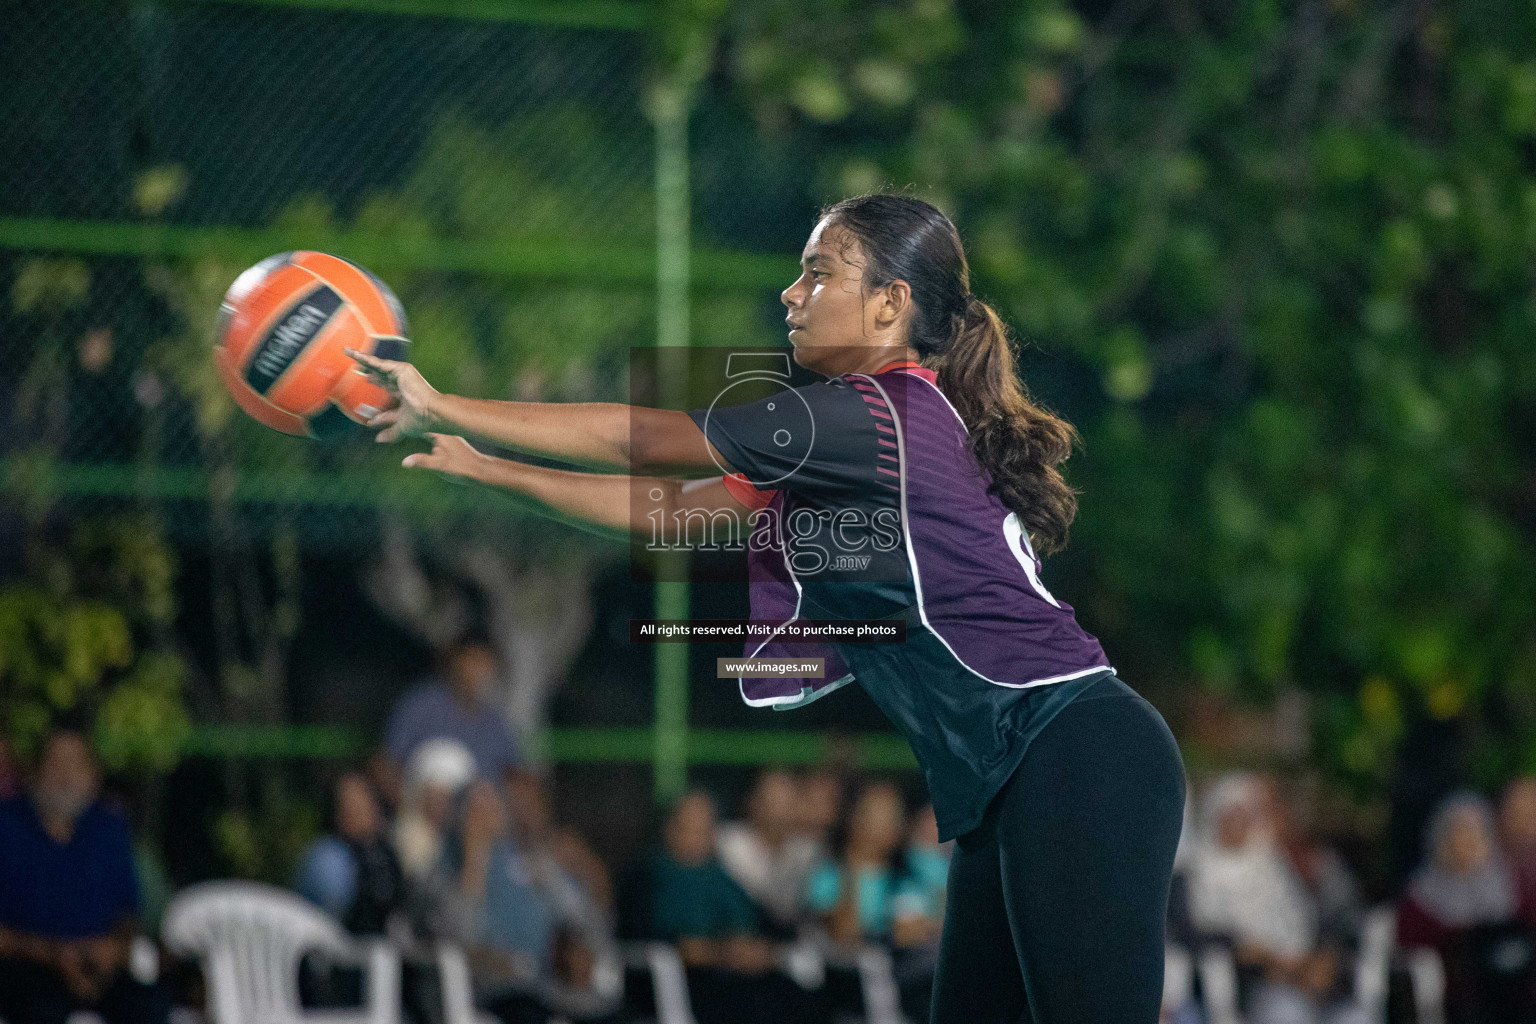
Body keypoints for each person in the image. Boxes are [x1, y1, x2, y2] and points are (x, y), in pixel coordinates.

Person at [349, 192, 1186, 1022]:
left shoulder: (872, 415)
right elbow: (667, 510)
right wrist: (485, 466)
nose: (793, 293)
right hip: (1013, 780)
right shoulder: (844, 448)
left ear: (892, 303)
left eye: (819, 274)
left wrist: (445, 402)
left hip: (1076, 755)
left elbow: (638, 439)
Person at [0, 728, 169, 1024]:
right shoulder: (7, 827)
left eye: (76, 765)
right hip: (27, 970)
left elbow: (129, 913)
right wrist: (53, 955)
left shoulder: (110, 829)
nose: (66, 776)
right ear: (35, 772)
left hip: (98, 969)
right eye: (56, 764)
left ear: (94, 776)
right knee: (40, 1009)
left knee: (150, 1005)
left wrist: (113, 950)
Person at [640, 790, 824, 1024]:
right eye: (692, 825)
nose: (701, 834)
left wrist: (762, 949)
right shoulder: (652, 876)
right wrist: (725, 953)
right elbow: (671, 944)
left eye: (707, 826)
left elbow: (763, 924)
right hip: (694, 983)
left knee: (809, 999)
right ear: (670, 828)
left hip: (747, 976)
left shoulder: (721, 875)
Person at [1397, 790, 1536, 1023]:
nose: (1466, 842)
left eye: (1474, 832)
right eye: (1458, 833)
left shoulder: (1510, 883)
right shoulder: (1421, 895)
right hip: (1454, 1005)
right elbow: (1413, 958)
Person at [377, 631, 520, 804]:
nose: (478, 671)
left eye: (485, 663)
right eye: (472, 661)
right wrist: (410, 805)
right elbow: (384, 763)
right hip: (418, 817)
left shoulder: (495, 722)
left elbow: (512, 774)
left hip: (478, 820)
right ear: (455, 662)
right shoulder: (420, 705)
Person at [295, 772, 405, 935]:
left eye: (365, 800)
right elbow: (331, 918)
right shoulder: (328, 857)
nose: (362, 809)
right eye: (351, 803)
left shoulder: (384, 852)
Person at [716, 769, 822, 937]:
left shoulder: (808, 851)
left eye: (788, 800)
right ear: (754, 802)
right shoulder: (728, 842)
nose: (782, 809)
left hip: (789, 939)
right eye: (774, 799)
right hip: (731, 936)